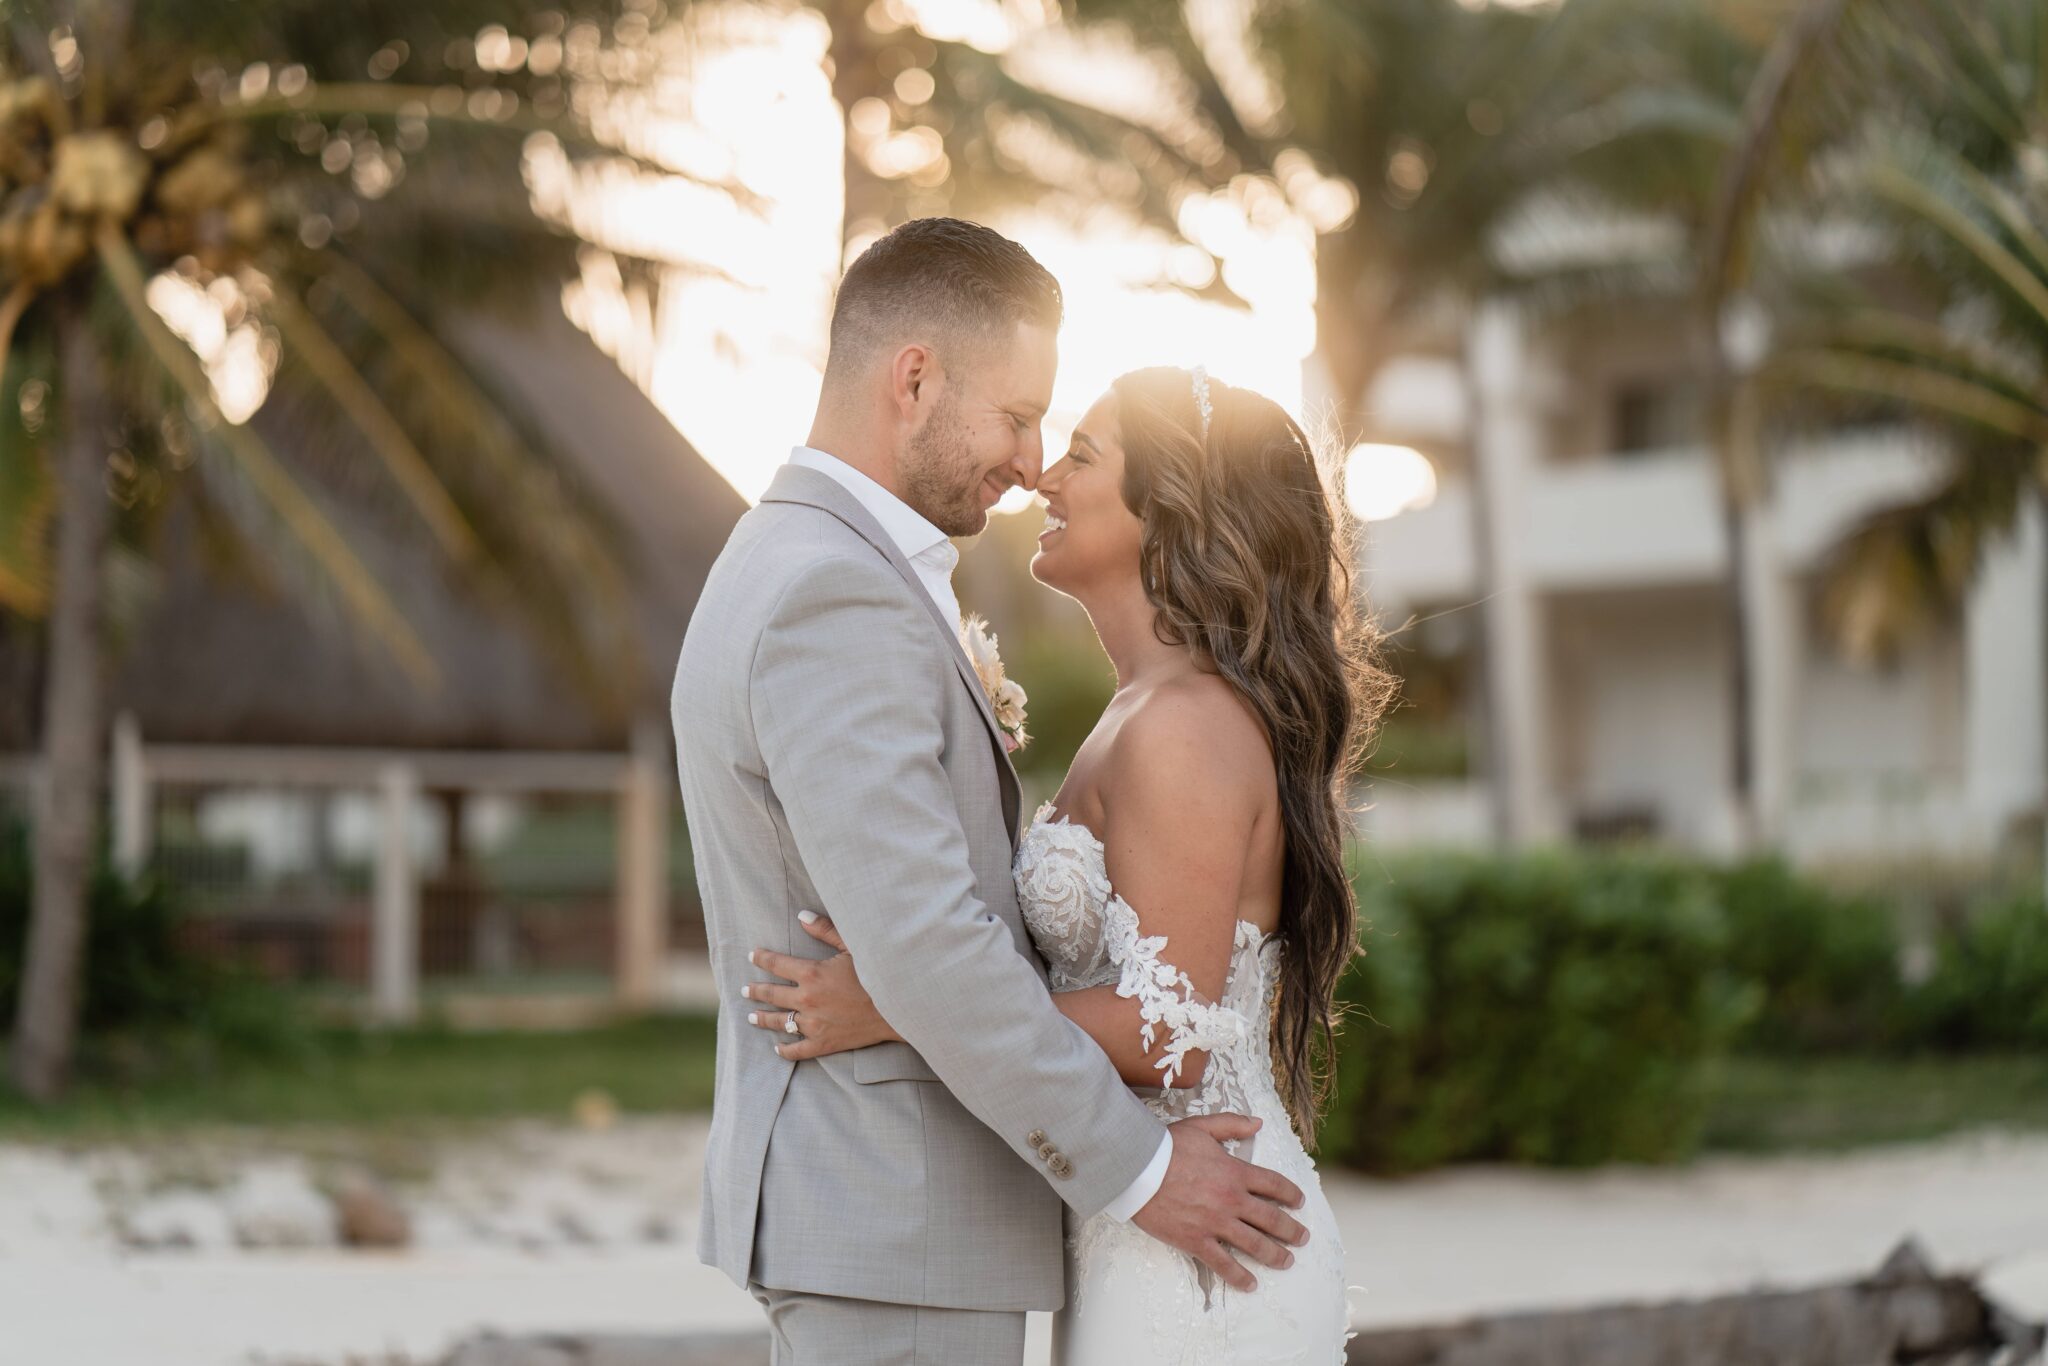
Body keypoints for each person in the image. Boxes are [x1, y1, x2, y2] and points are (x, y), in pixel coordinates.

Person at [671, 218, 1317, 1366]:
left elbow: (937, 960)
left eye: (1061, 440)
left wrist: (894, 1004)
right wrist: (1145, 1170)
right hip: (897, 1211)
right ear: (913, 379)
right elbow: (928, 945)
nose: (1030, 465)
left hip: (938, 1226)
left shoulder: (797, 564)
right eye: (1021, 420)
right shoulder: (836, 591)